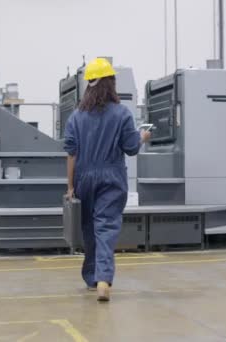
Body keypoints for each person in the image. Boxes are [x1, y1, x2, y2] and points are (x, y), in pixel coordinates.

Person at [64, 57, 151, 302]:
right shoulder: (121, 113)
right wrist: (142, 136)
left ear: (87, 85)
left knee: (89, 229)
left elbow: (71, 154)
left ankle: (92, 277)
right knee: (106, 227)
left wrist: (70, 186)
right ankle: (103, 278)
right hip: (111, 177)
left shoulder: (76, 117)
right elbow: (131, 147)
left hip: (84, 177)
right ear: (111, 82)